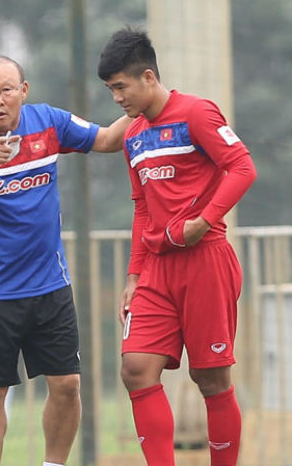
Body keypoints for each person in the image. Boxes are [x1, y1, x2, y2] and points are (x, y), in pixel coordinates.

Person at [0, 55, 131, 466]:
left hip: (50, 285)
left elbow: (106, 139)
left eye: (7, 90)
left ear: (23, 91)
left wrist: (149, 104)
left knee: (67, 385)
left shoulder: (48, 122)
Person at [97, 28, 257, 466]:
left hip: (206, 262)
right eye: (110, 90)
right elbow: (141, 207)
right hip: (156, 269)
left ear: (148, 77)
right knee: (135, 368)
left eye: (120, 87)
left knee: (211, 379)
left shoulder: (196, 113)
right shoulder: (133, 135)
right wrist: (133, 275)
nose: (117, 98)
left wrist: (204, 222)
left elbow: (242, 167)